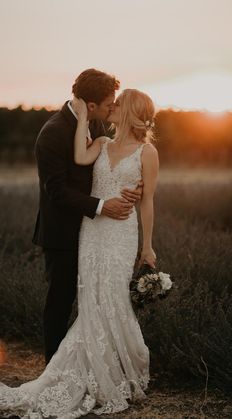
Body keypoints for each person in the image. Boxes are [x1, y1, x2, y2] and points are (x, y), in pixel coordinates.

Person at [0, 88, 159, 417]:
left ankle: (117, 371)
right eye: (109, 103)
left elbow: (148, 202)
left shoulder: (148, 153)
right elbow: (79, 159)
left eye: (119, 103)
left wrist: (147, 245)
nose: (113, 106)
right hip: (93, 230)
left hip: (122, 233)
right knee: (91, 301)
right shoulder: (100, 141)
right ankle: (82, 371)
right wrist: (84, 118)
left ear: (129, 112)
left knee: (114, 298)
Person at [32, 68, 141, 363]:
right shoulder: (52, 133)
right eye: (109, 104)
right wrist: (101, 206)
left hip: (97, 233)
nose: (112, 108)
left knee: (96, 301)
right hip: (63, 233)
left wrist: (133, 185)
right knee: (61, 302)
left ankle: (92, 364)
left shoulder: (96, 124)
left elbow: (104, 168)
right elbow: (56, 191)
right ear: (91, 105)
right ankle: (53, 369)